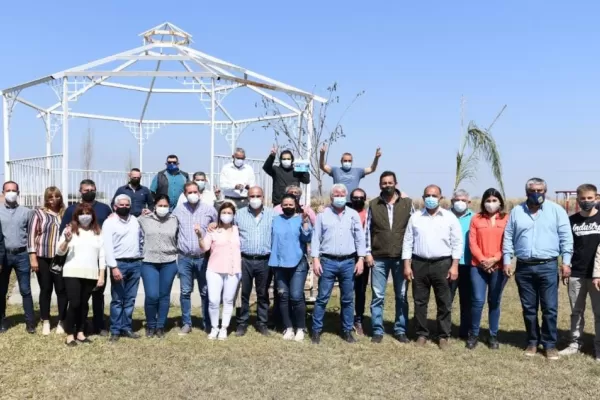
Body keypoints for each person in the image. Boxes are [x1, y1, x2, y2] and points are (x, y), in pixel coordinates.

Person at [503, 177, 573, 360]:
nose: (536, 193)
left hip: (548, 266)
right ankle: (532, 342)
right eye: (533, 190)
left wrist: (566, 262)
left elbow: (566, 237)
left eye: (540, 190)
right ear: (527, 192)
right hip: (524, 267)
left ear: (545, 191)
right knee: (529, 308)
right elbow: (508, 236)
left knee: (550, 308)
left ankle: (549, 344)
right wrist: (506, 259)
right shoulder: (517, 211)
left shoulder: (556, 211)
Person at [402, 184, 462, 350]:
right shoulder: (415, 218)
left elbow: (457, 243)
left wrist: (454, 266)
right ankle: (421, 333)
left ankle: (443, 335)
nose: (431, 198)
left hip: (442, 263)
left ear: (440, 198)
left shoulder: (450, 217)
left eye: (434, 195)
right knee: (420, 301)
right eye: (428, 195)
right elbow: (408, 242)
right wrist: (407, 265)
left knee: (444, 301)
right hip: (419, 263)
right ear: (423, 198)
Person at [311, 184, 366, 344]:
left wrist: (361, 259)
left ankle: (347, 330)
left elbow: (359, 238)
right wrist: (315, 259)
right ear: (331, 196)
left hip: (348, 261)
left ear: (346, 196)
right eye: (336, 193)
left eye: (342, 193)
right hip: (328, 261)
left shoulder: (353, 214)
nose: (339, 196)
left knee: (348, 299)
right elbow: (316, 237)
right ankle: (316, 330)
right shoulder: (323, 214)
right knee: (322, 297)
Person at [366, 172, 413, 343]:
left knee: (401, 295)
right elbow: (367, 230)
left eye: (390, 182)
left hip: (401, 257)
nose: (387, 185)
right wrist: (368, 252)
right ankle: (377, 330)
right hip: (379, 257)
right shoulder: (373, 204)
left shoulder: (407, 204)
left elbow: (413, 230)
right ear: (380, 185)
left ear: (396, 183)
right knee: (378, 295)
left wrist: (410, 256)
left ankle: (400, 329)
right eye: (384, 183)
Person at [60, 179, 112, 336]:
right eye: (85, 189)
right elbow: (64, 234)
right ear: (80, 191)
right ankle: (72, 327)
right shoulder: (71, 210)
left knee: (98, 294)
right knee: (76, 300)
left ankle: (99, 324)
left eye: (92, 189)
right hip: (76, 260)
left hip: (97, 257)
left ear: (96, 189)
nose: (89, 191)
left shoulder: (105, 208)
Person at [56, 203, 106, 346]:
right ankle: (70, 333)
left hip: (90, 273)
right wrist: (66, 239)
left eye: (88, 213)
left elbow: (102, 255)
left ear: (93, 216)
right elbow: (59, 252)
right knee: (75, 302)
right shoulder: (70, 230)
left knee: (84, 304)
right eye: (82, 213)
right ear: (77, 216)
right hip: (72, 272)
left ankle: (81, 332)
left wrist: (101, 275)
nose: (85, 217)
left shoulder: (97, 232)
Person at [560, 184, 600, 357]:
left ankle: (598, 346)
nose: (586, 201)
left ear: (596, 199)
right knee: (576, 311)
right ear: (577, 200)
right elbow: (566, 246)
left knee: (599, 313)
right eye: (583, 199)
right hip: (576, 273)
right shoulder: (571, 220)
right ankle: (575, 343)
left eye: (590, 198)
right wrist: (566, 266)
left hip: (597, 274)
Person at [172, 182, 218, 335]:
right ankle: (187, 323)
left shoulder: (209, 209)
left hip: (203, 258)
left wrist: (214, 223)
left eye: (195, 191)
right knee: (185, 291)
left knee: (205, 291)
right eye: (189, 192)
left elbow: (219, 223)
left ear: (199, 193)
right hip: (184, 257)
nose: (193, 194)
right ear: (185, 194)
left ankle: (207, 322)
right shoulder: (178, 211)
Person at [467, 188, 509, 350]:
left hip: (498, 267)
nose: (491, 204)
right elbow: (472, 242)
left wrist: (495, 259)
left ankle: (493, 335)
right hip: (478, 266)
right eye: (488, 200)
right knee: (477, 301)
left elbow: (508, 242)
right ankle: (474, 334)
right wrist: (484, 260)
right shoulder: (476, 219)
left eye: (494, 200)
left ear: (500, 202)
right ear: (483, 202)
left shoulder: (506, 219)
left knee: (494, 301)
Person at [195, 202, 241, 340]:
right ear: (219, 214)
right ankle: (214, 327)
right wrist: (199, 236)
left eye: (229, 213)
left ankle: (224, 328)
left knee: (228, 300)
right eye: (224, 213)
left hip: (233, 270)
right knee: (213, 300)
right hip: (214, 270)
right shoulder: (213, 231)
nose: (226, 215)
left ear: (233, 215)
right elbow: (204, 248)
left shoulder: (238, 230)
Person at [269, 194, 312, 341]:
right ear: (281, 206)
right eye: (285, 205)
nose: (288, 207)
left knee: (296, 296)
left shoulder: (301, 218)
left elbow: (307, 238)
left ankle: (300, 327)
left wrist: (305, 222)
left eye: (290, 204)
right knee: (283, 296)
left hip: (298, 263)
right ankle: (288, 327)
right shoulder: (275, 220)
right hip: (279, 263)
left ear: (295, 205)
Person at [233, 186, 274, 337]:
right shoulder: (240, 214)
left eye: (258, 196)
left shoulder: (271, 214)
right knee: (244, 293)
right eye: (252, 196)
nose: (255, 199)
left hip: (265, 260)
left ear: (263, 197)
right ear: (247, 198)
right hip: (245, 260)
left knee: (263, 293)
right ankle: (242, 322)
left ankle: (262, 322)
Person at [103, 194, 143, 342]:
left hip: (135, 263)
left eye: (127, 205)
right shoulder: (109, 222)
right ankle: (115, 330)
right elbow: (107, 247)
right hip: (118, 264)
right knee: (118, 300)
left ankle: (126, 327)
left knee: (130, 299)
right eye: (121, 205)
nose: (124, 207)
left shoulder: (135, 221)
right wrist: (113, 267)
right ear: (115, 206)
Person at [28, 186, 67, 335]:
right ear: (46, 198)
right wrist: (33, 258)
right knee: (45, 289)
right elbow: (31, 235)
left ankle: (62, 320)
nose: (54, 200)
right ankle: (45, 320)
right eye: (50, 197)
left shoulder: (65, 213)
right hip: (43, 257)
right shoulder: (39, 213)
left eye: (56, 196)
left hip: (60, 258)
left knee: (61, 290)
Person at [138, 195, 179, 338]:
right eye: (160, 205)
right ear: (154, 206)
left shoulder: (174, 220)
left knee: (164, 295)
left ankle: (160, 325)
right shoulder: (144, 219)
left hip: (169, 262)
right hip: (149, 262)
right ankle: (150, 324)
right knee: (151, 295)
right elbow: (129, 225)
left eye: (165, 205)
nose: (163, 208)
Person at [0, 181, 35, 333]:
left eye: (14, 190)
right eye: (8, 190)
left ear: (18, 192)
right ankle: (2, 320)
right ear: (3, 192)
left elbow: (32, 234)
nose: (11, 193)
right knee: (1, 290)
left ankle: (30, 322)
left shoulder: (27, 212)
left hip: (22, 255)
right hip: (3, 255)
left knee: (26, 290)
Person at [449, 189, 474, 339]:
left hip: (469, 264)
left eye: (463, 200)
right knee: (447, 299)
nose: (460, 202)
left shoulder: (475, 218)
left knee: (467, 300)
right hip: (449, 264)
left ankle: (465, 331)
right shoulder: (444, 216)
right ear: (452, 201)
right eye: (457, 199)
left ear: (469, 202)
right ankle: (444, 330)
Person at [348, 188, 369, 336]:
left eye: (361, 197)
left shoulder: (369, 215)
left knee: (360, 290)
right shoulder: (346, 213)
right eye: (355, 197)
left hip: (363, 257)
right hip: (347, 256)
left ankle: (359, 319)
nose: (358, 200)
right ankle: (346, 319)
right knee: (347, 289)